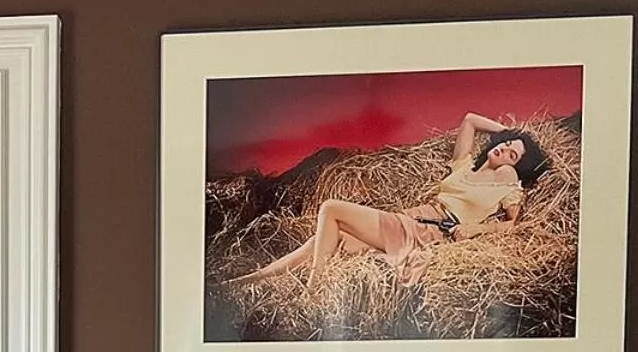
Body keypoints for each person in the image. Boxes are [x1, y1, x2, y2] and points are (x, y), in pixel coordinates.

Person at [231, 113, 549, 289]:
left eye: (513, 154)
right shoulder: (464, 166)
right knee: (324, 239)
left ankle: (312, 291)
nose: (505, 150)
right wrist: (514, 133)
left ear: (516, 166)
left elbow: (514, 225)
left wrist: (475, 229)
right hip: (411, 218)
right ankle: (254, 278)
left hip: (429, 231)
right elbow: (469, 120)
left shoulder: (508, 182)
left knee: (331, 208)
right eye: (505, 144)